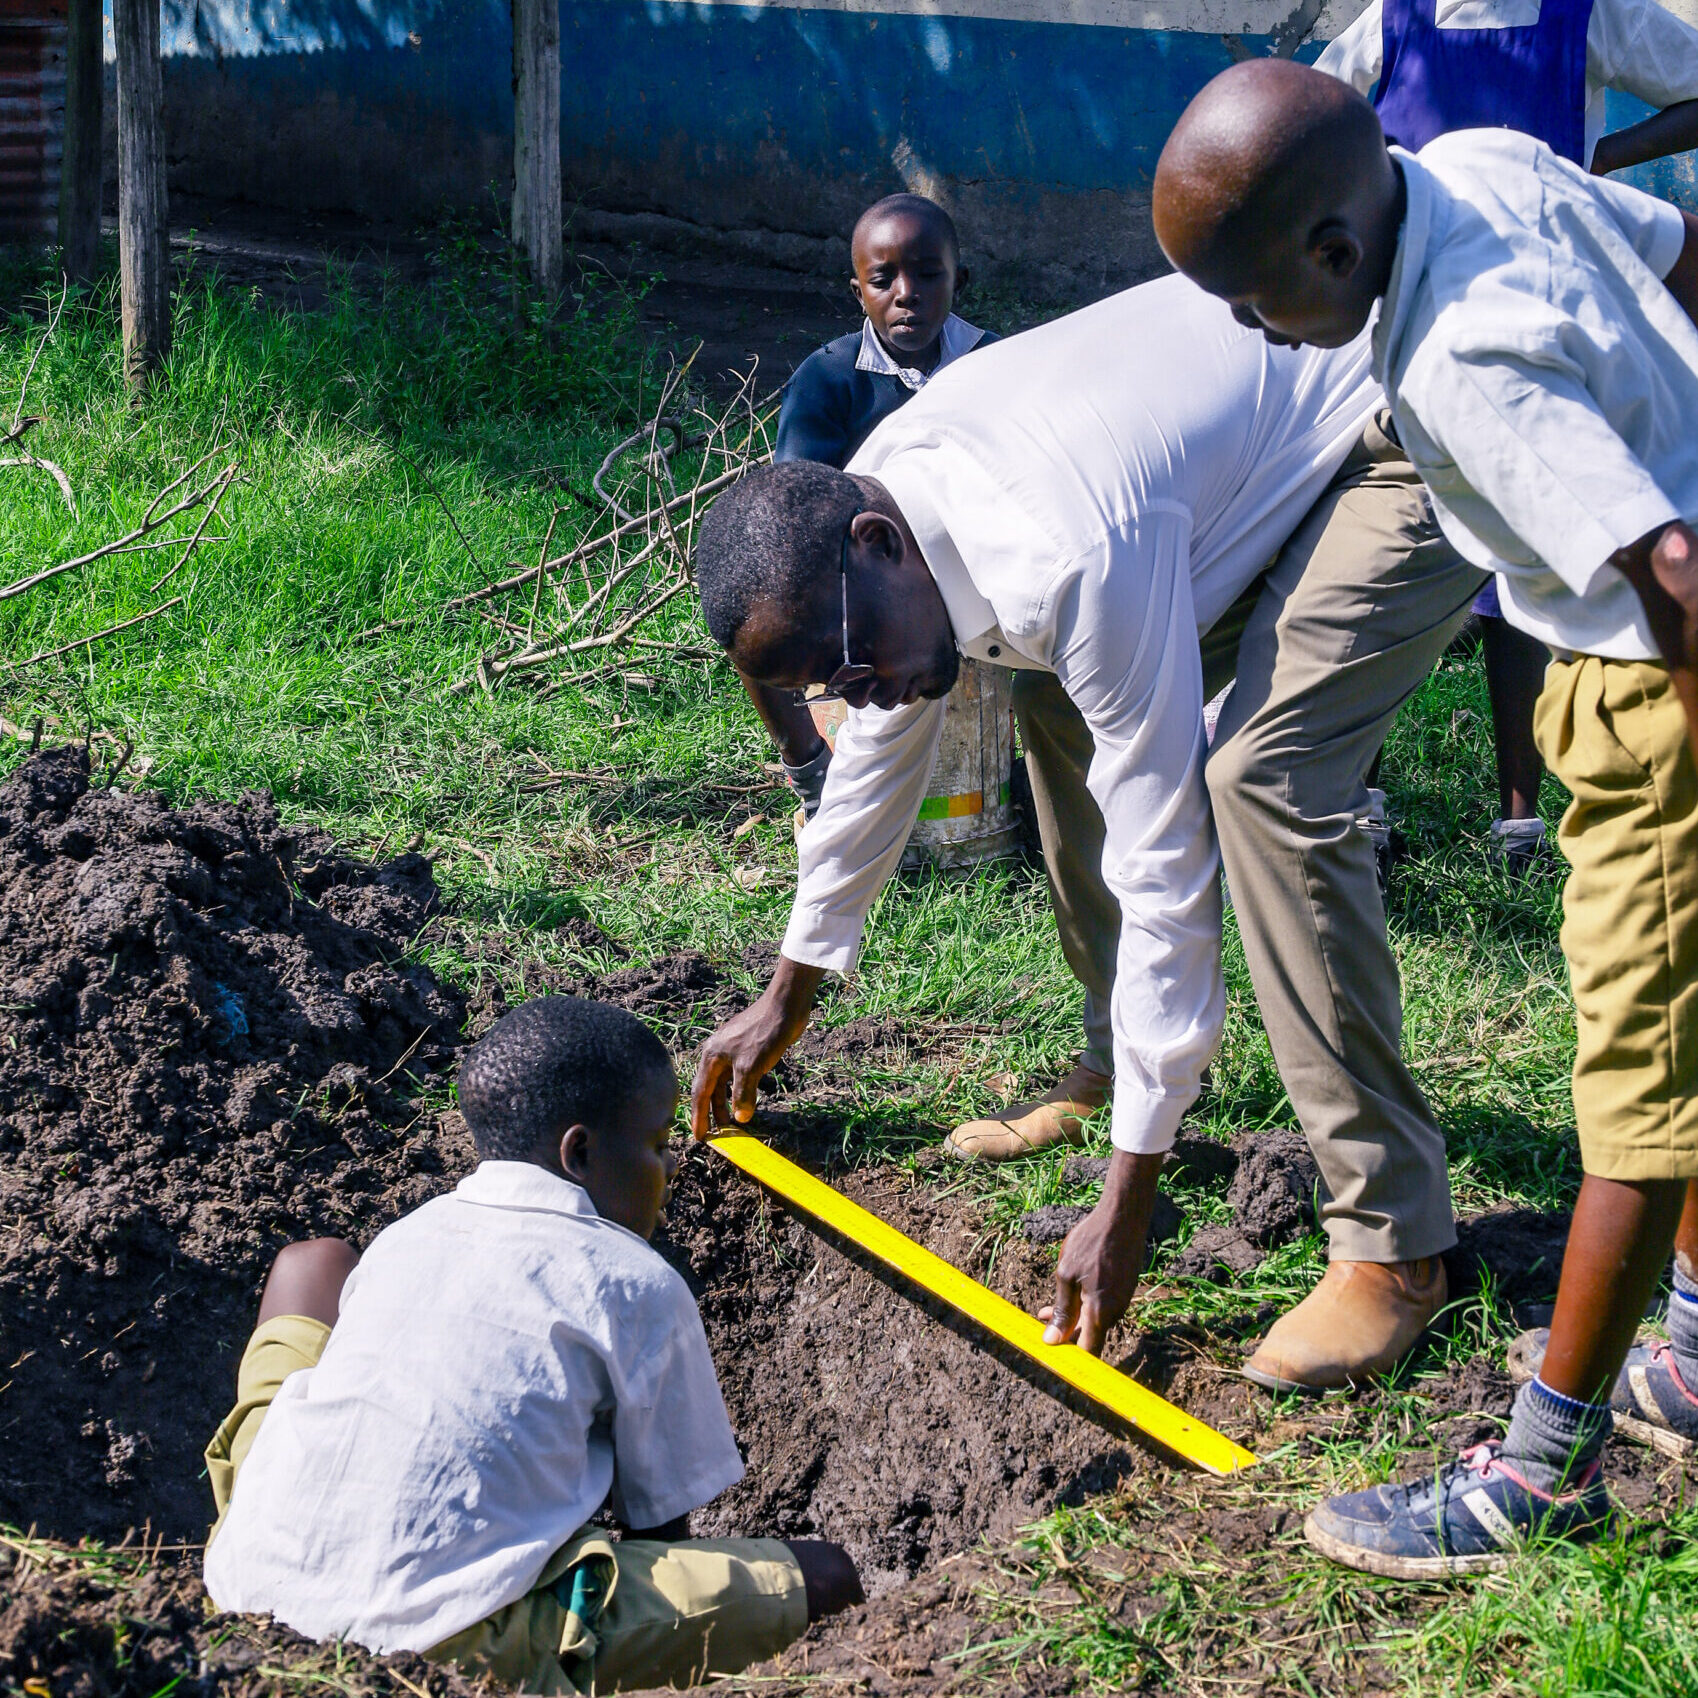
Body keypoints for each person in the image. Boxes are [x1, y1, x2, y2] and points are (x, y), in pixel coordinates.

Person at [687, 271, 1488, 1393]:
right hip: (1247, 463)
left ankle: (1393, 1243)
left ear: (876, 544)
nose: (857, 697)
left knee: (1266, 782)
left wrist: (1130, 1193)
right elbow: (877, 748)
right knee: (1057, 693)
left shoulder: (1063, 548)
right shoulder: (893, 509)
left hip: (1406, 412)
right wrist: (791, 989)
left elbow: (1165, 864)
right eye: (830, 685)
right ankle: (1114, 1064)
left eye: (850, 665)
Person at [1151, 55, 1698, 1572]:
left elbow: (1669, 572)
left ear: (1333, 253)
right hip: (1645, 656)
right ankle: (1693, 1356)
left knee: (1636, 1099)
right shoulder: (1479, 163)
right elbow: (1680, 256)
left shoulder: (1457, 360)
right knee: (1684, 1047)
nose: (1253, 331)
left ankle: (1542, 1471)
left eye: (1255, 301)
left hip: (1653, 689)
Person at [202, 996, 862, 1687]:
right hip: (437, 1642)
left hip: (250, 1589)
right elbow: (659, 1541)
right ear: (580, 1152)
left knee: (314, 1267)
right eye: (658, 1144)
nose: (669, 1166)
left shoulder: (411, 1233)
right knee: (825, 1579)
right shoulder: (636, 1280)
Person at [1317, 0, 1698, 875]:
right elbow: (1315, 115)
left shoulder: (1587, 14)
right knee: (1371, 561)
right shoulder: (1396, 18)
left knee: (1529, 571)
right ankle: (1361, 797)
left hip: (1539, 328)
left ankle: (1518, 817)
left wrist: (1602, 160)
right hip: (1404, 320)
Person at [745, 194, 993, 827]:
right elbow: (801, 511)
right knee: (754, 615)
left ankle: (1028, 788)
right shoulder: (829, 379)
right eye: (884, 280)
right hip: (871, 579)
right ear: (858, 292)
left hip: (982, 569)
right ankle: (811, 768)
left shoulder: (992, 364)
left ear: (959, 281)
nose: (907, 294)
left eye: (929, 274)